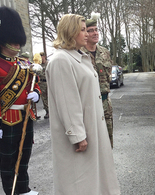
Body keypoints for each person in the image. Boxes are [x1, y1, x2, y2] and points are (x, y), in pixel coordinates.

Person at [46, 14, 120, 195]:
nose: (86, 33)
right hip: (81, 135)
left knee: (93, 179)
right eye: (82, 29)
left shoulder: (78, 56)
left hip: (92, 127)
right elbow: (67, 102)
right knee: (79, 181)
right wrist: (77, 135)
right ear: (70, 31)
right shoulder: (61, 60)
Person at [0, 6, 40, 195]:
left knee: (24, 155)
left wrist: (36, 94)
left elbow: (34, 84)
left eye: (17, 42)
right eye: (13, 42)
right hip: (7, 118)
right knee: (9, 160)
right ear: (1, 42)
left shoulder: (25, 64)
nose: (17, 45)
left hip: (25, 116)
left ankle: (24, 188)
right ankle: (12, 191)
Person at [81, 12, 115, 148]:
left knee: (107, 141)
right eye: (90, 31)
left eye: (96, 30)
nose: (95, 33)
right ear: (84, 34)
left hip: (105, 103)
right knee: (91, 144)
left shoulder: (105, 52)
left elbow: (108, 77)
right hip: (88, 105)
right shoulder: (79, 54)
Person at [37, 52, 49, 119]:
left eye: (41, 56)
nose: (41, 57)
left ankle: (53, 111)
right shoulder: (39, 65)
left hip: (49, 82)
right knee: (44, 98)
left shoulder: (48, 64)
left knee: (50, 98)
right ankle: (47, 111)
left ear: (44, 56)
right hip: (42, 83)